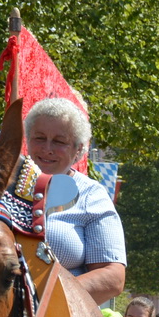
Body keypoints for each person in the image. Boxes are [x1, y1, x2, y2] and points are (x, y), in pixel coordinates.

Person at [22, 98, 127, 305]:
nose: (47, 148)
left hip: (65, 315)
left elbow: (113, 277)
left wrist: (48, 297)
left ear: (79, 150)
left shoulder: (92, 195)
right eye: (39, 138)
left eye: (59, 142)